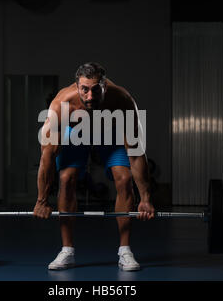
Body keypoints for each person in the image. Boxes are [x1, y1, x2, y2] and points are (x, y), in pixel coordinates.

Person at [33, 62, 155, 271]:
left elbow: (135, 153)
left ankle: (125, 250)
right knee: (66, 178)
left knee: (124, 179)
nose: (90, 96)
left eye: (96, 89)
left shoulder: (123, 101)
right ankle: (67, 251)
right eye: (85, 89)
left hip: (110, 132)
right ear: (77, 86)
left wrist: (145, 198)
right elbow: (47, 156)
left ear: (105, 86)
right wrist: (41, 200)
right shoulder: (61, 105)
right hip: (75, 132)